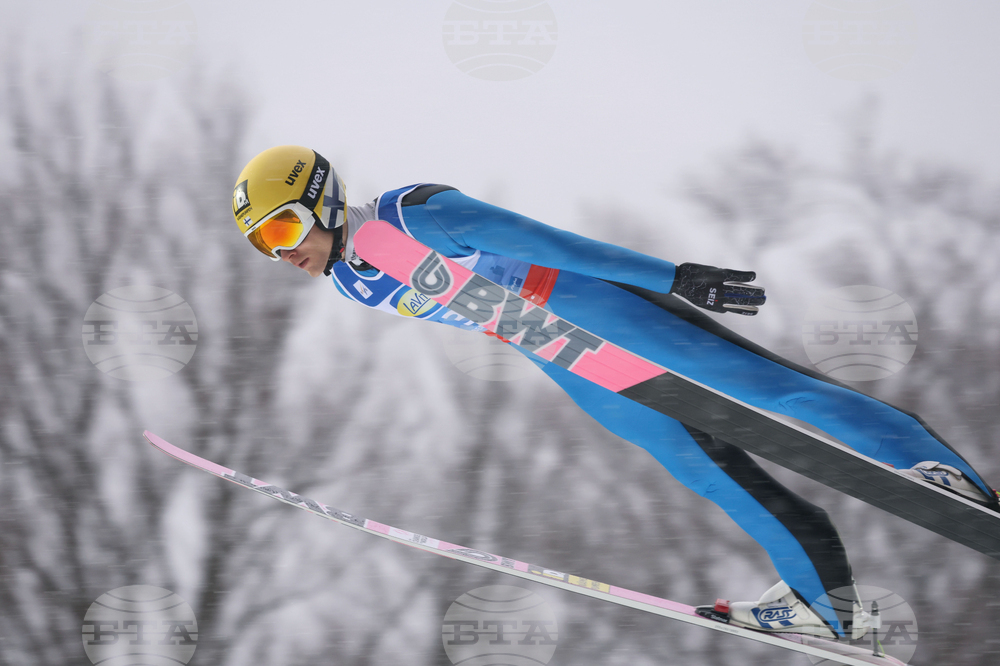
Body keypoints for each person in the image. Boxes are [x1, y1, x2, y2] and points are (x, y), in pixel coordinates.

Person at [232, 145, 997, 640]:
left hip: (591, 304)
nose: (283, 252)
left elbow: (549, 243)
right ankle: (823, 599)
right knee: (700, 466)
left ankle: (932, 468)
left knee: (771, 392)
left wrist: (673, 277)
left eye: (285, 228)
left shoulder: (415, 214)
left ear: (322, 198)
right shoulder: (356, 283)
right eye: (265, 245)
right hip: (556, 351)